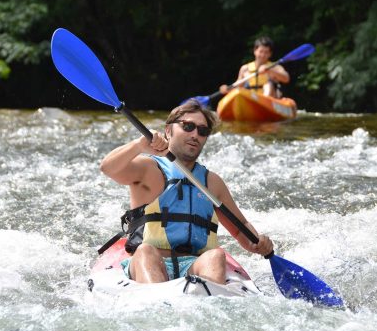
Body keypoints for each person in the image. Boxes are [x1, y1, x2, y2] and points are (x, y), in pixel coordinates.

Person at [100, 100, 273, 284]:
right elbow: (108, 168)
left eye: (202, 131)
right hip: (151, 260)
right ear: (168, 130)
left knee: (215, 255)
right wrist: (138, 146)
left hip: (194, 263)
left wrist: (258, 243)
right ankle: (156, 301)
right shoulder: (149, 169)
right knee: (145, 251)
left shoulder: (211, 182)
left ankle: (207, 302)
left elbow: (240, 229)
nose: (195, 135)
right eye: (188, 126)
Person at [220, 36, 290, 98]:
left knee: (268, 85)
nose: (263, 55)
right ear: (255, 51)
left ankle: (264, 102)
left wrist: (270, 70)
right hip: (251, 100)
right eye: (261, 51)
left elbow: (286, 78)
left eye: (266, 52)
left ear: (270, 54)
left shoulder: (275, 67)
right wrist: (228, 89)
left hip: (269, 101)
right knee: (240, 92)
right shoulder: (245, 69)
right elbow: (238, 85)